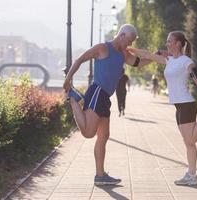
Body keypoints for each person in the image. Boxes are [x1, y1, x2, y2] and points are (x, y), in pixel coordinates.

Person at [128, 31, 197, 186]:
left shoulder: (186, 62)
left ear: (178, 43)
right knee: (189, 142)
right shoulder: (169, 60)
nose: (167, 43)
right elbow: (148, 55)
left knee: (191, 140)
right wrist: (128, 48)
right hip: (179, 107)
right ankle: (192, 175)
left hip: (186, 105)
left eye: (169, 41)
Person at [63, 24, 150, 186]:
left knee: (104, 136)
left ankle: (100, 175)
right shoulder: (103, 48)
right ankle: (73, 99)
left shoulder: (123, 54)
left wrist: (157, 57)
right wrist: (67, 80)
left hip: (105, 98)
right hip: (97, 92)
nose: (129, 45)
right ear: (122, 35)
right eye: (128, 41)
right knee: (89, 133)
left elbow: (138, 63)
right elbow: (80, 59)